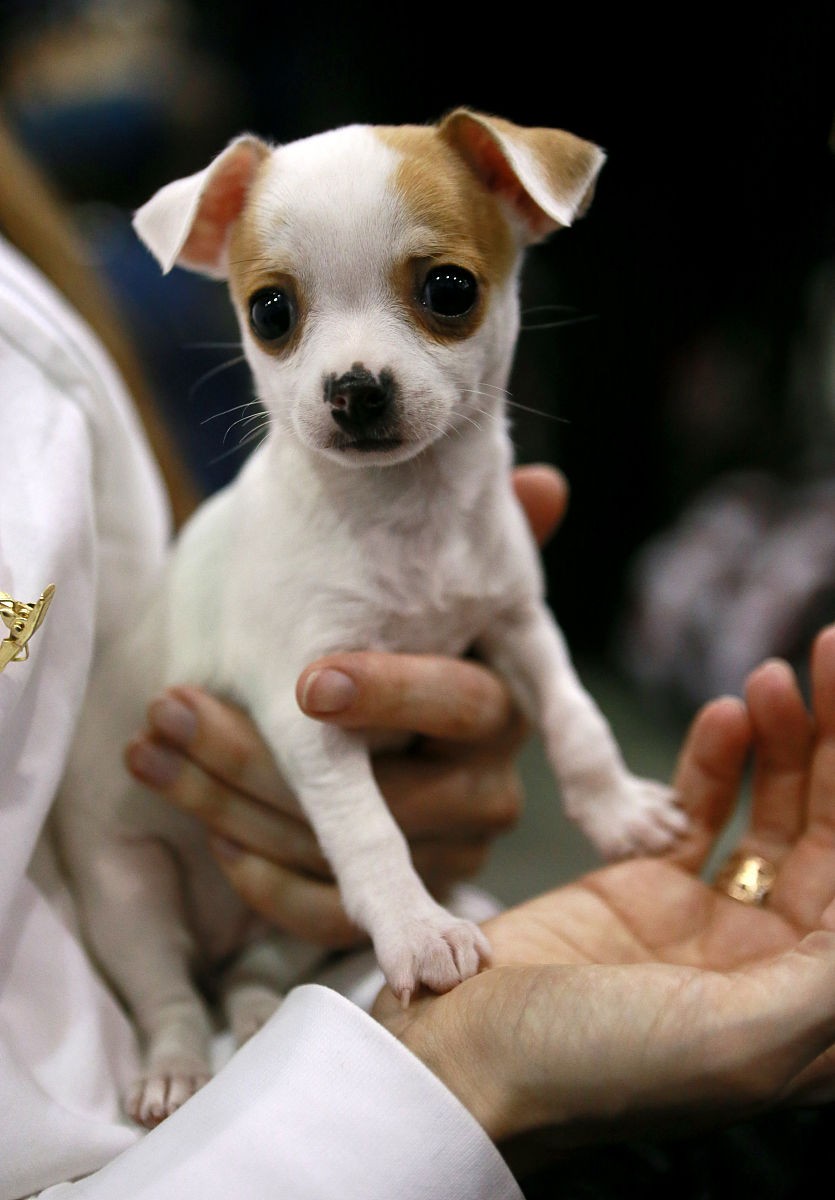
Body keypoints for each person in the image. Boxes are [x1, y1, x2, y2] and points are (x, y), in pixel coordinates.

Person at [2, 112, 834, 1200]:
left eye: (439, 296)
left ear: (519, 211)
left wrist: (592, 781)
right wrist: (398, 910)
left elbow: (524, 627)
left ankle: (255, 993)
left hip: (305, 957)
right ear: (218, 254)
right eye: (280, 316)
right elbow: (308, 720)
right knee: (156, 859)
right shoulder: (267, 520)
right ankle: (175, 1017)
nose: (352, 371)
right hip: (140, 866)